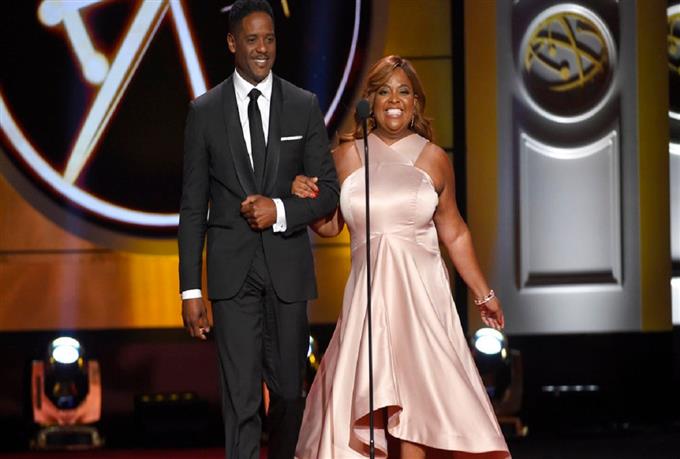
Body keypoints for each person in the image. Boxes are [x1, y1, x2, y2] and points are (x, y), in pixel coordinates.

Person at [292, 55, 511, 458]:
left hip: (422, 297)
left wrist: (485, 294)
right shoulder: (346, 156)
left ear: (415, 103)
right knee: (375, 397)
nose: (394, 99)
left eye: (404, 91)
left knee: (418, 402)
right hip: (370, 298)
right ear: (371, 101)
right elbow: (330, 226)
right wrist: (306, 199)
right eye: (384, 91)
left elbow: (454, 231)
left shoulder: (434, 158)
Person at [177, 1, 339, 458]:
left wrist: (281, 209)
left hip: (287, 269)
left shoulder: (303, 105)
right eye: (252, 39)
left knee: (289, 393)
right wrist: (190, 289)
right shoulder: (204, 111)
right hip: (232, 275)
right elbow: (192, 207)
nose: (262, 48)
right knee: (240, 399)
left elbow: (329, 192)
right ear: (233, 43)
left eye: (269, 38)